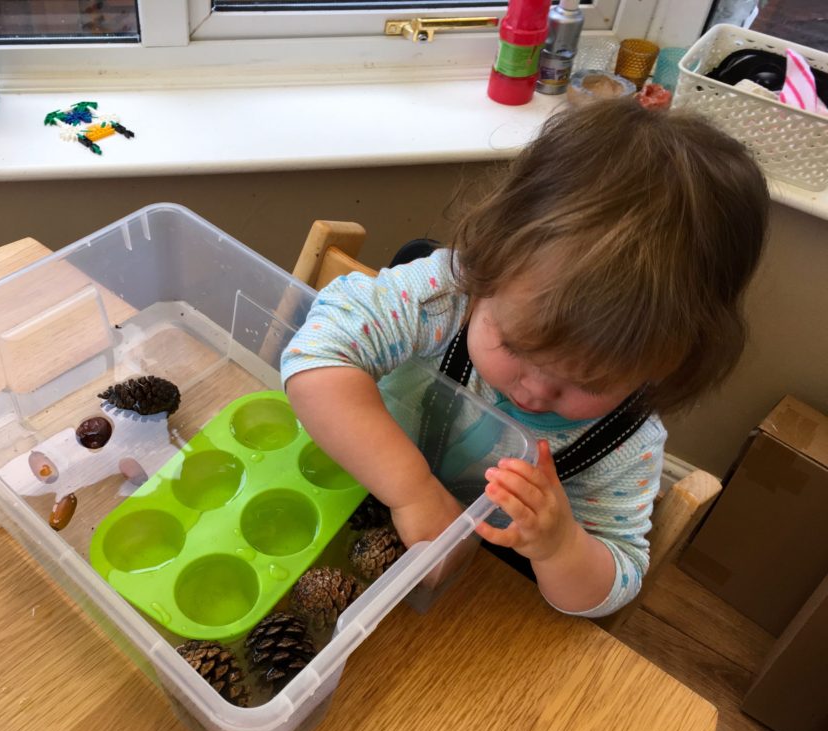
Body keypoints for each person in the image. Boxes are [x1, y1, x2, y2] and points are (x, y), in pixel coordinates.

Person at [280, 99, 769, 618]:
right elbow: (316, 356)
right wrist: (412, 490)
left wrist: (561, 546)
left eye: (590, 382)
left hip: (469, 600)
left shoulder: (625, 446)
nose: (535, 391)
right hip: (343, 488)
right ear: (487, 264)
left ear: (667, 363)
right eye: (514, 347)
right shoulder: (444, 298)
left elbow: (615, 583)